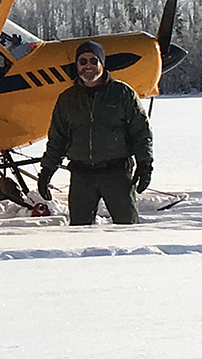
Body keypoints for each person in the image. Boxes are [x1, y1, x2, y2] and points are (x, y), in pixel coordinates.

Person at [37, 40, 153, 225]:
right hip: (82, 176)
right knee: (79, 230)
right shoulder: (67, 99)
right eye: (83, 61)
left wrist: (145, 164)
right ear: (77, 65)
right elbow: (58, 140)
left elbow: (141, 133)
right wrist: (46, 171)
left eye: (93, 61)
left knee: (128, 228)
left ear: (102, 63)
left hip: (116, 174)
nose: (88, 66)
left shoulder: (122, 93)